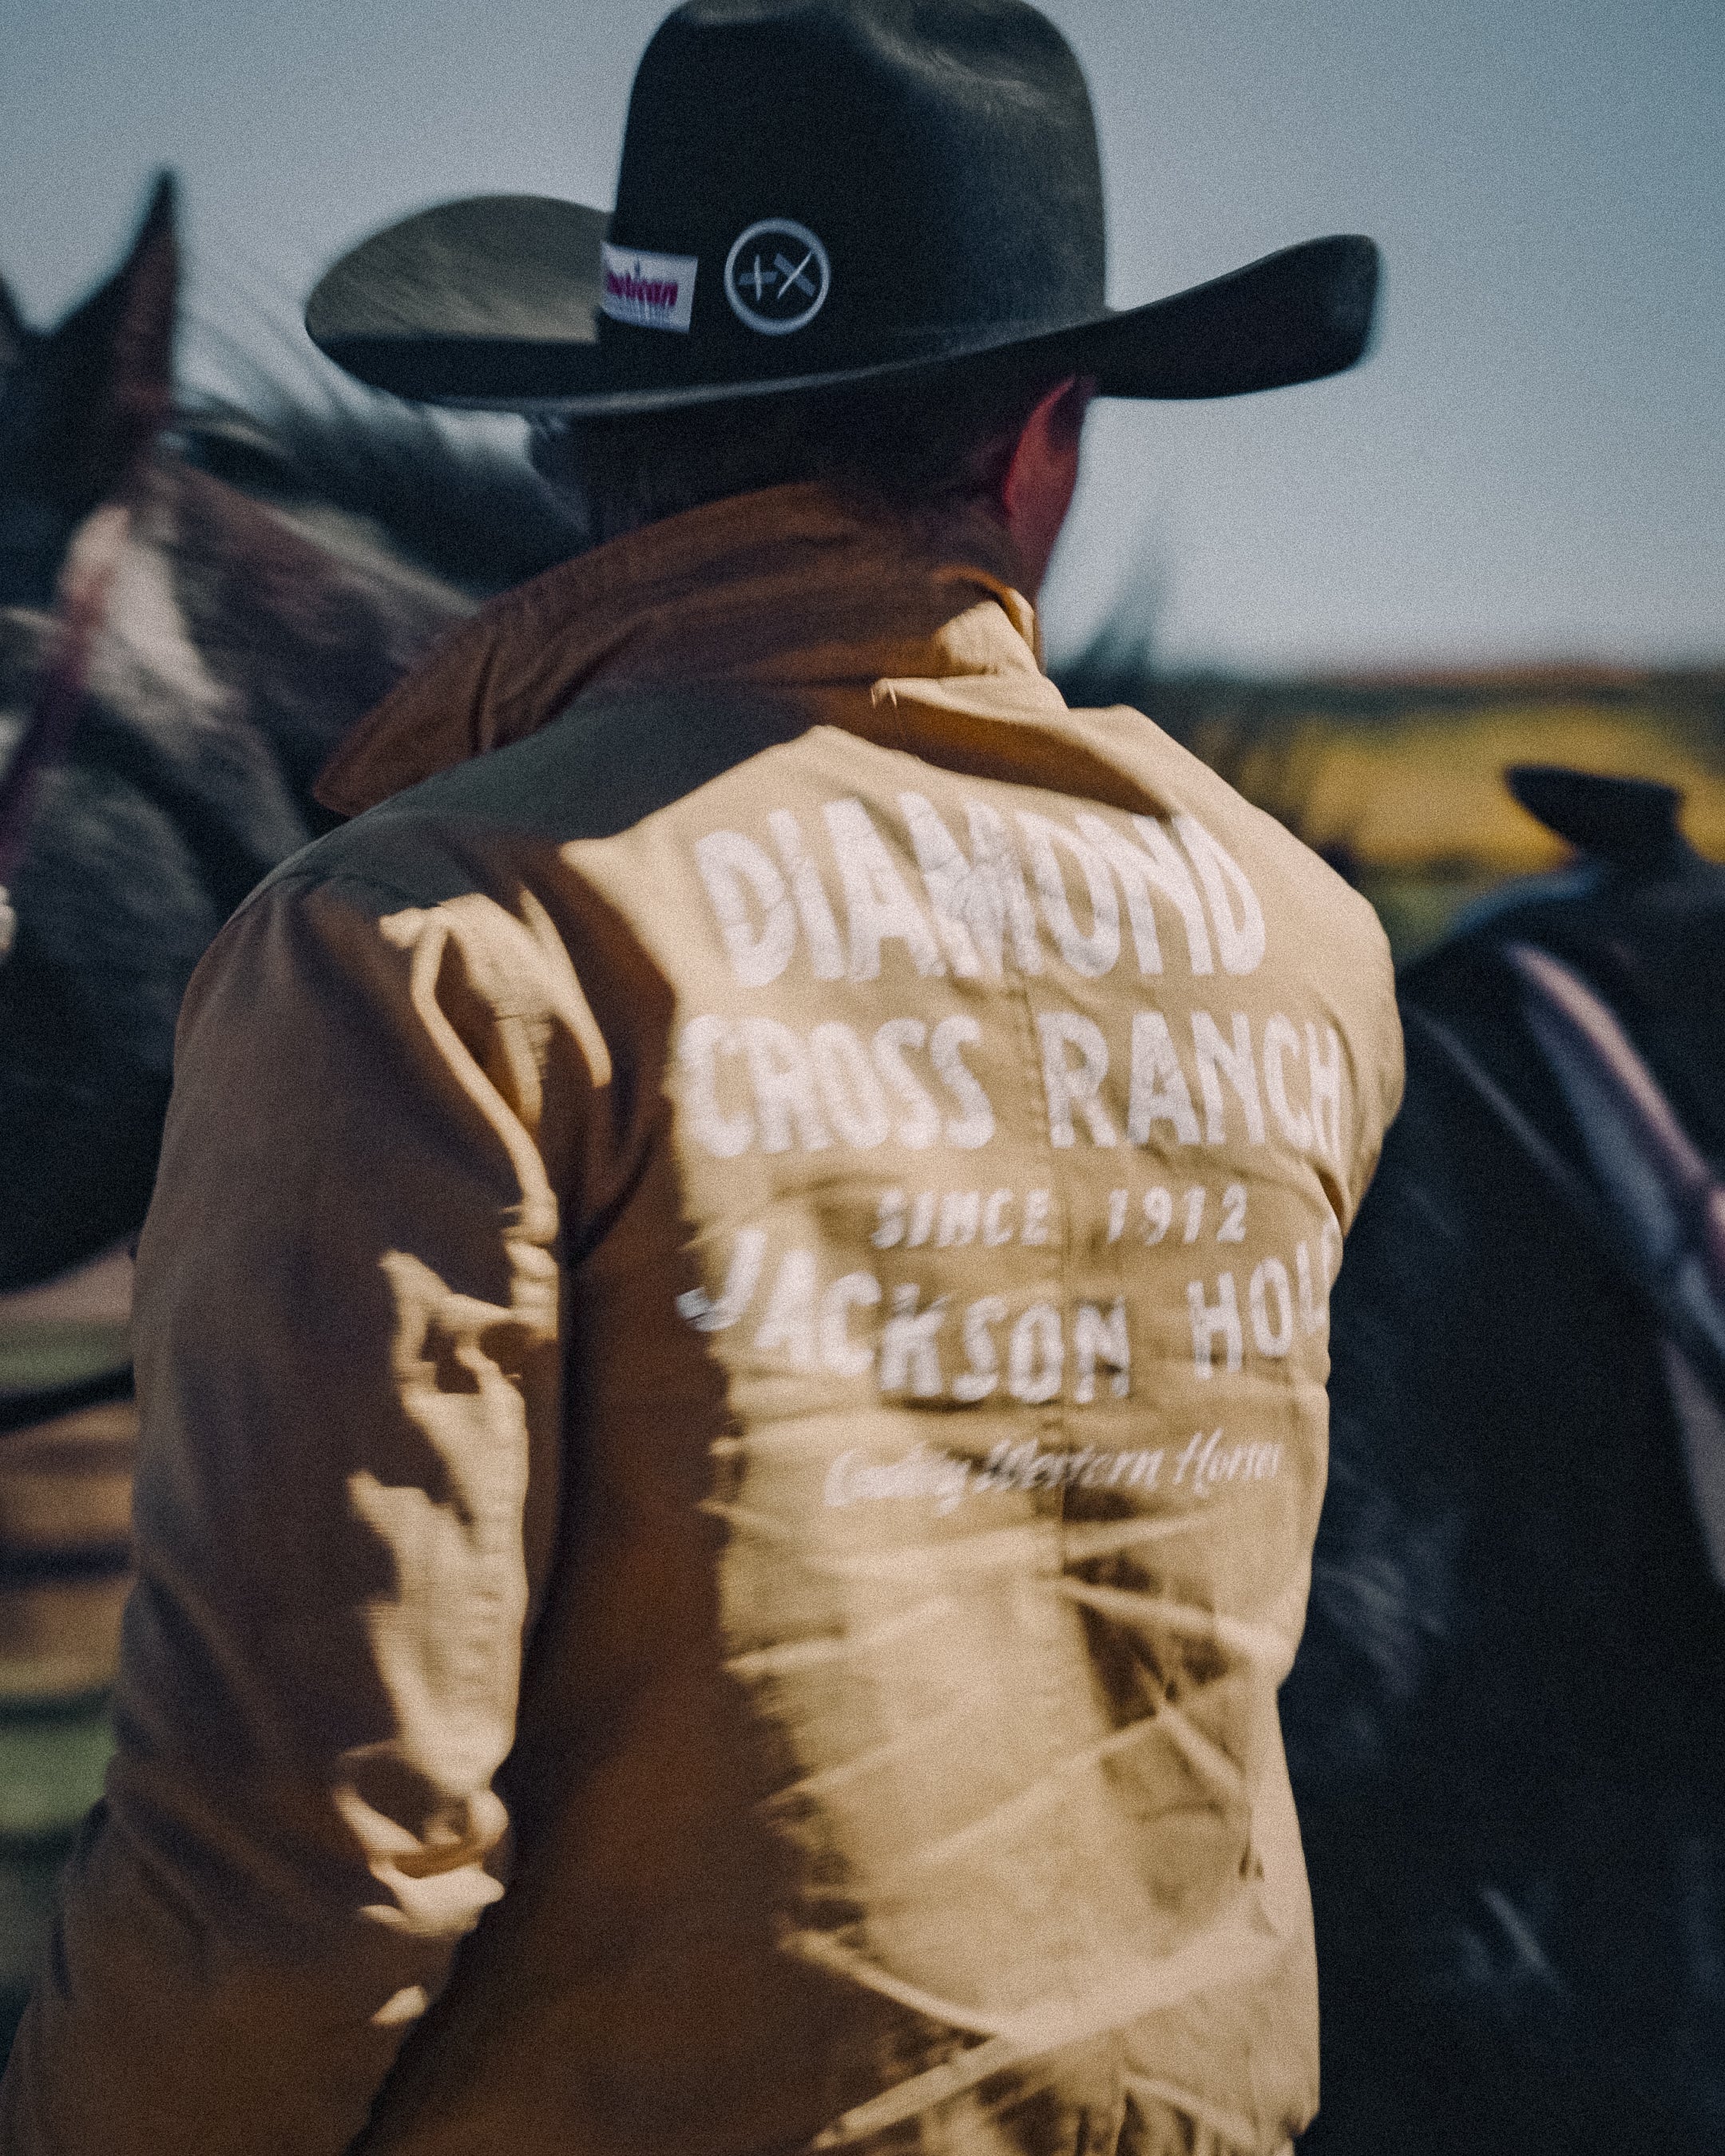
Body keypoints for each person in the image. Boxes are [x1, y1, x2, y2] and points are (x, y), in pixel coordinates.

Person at [0, 4, 1402, 2152]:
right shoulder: (1304, 951)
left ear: (591, 432)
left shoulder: (425, 949)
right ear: (1048, 447)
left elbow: (308, 1856)